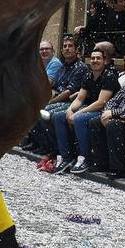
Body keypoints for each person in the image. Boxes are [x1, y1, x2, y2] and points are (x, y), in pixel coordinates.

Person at [52, 49, 119, 175]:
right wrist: (70, 109)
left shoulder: (109, 77)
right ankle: (66, 156)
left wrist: (78, 113)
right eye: (92, 58)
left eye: (98, 58)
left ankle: (85, 158)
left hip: (105, 111)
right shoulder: (88, 76)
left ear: (105, 61)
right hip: (89, 108)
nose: (95, 61)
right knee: (59, 116)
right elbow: (79, 98)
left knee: (79, 119)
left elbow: (101, 102)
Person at [32, 36, 91, 164]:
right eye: (64, 46)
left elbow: (68, 92)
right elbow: (52, 86)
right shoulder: (63, 67)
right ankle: (51, 146)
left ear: (76, 50)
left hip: (72, 102)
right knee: (39, 110)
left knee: (48, 112)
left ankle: (63, 150)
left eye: (70, 46)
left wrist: (51, 101)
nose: (67, 49)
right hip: (58, 99)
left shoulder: (80, 67)